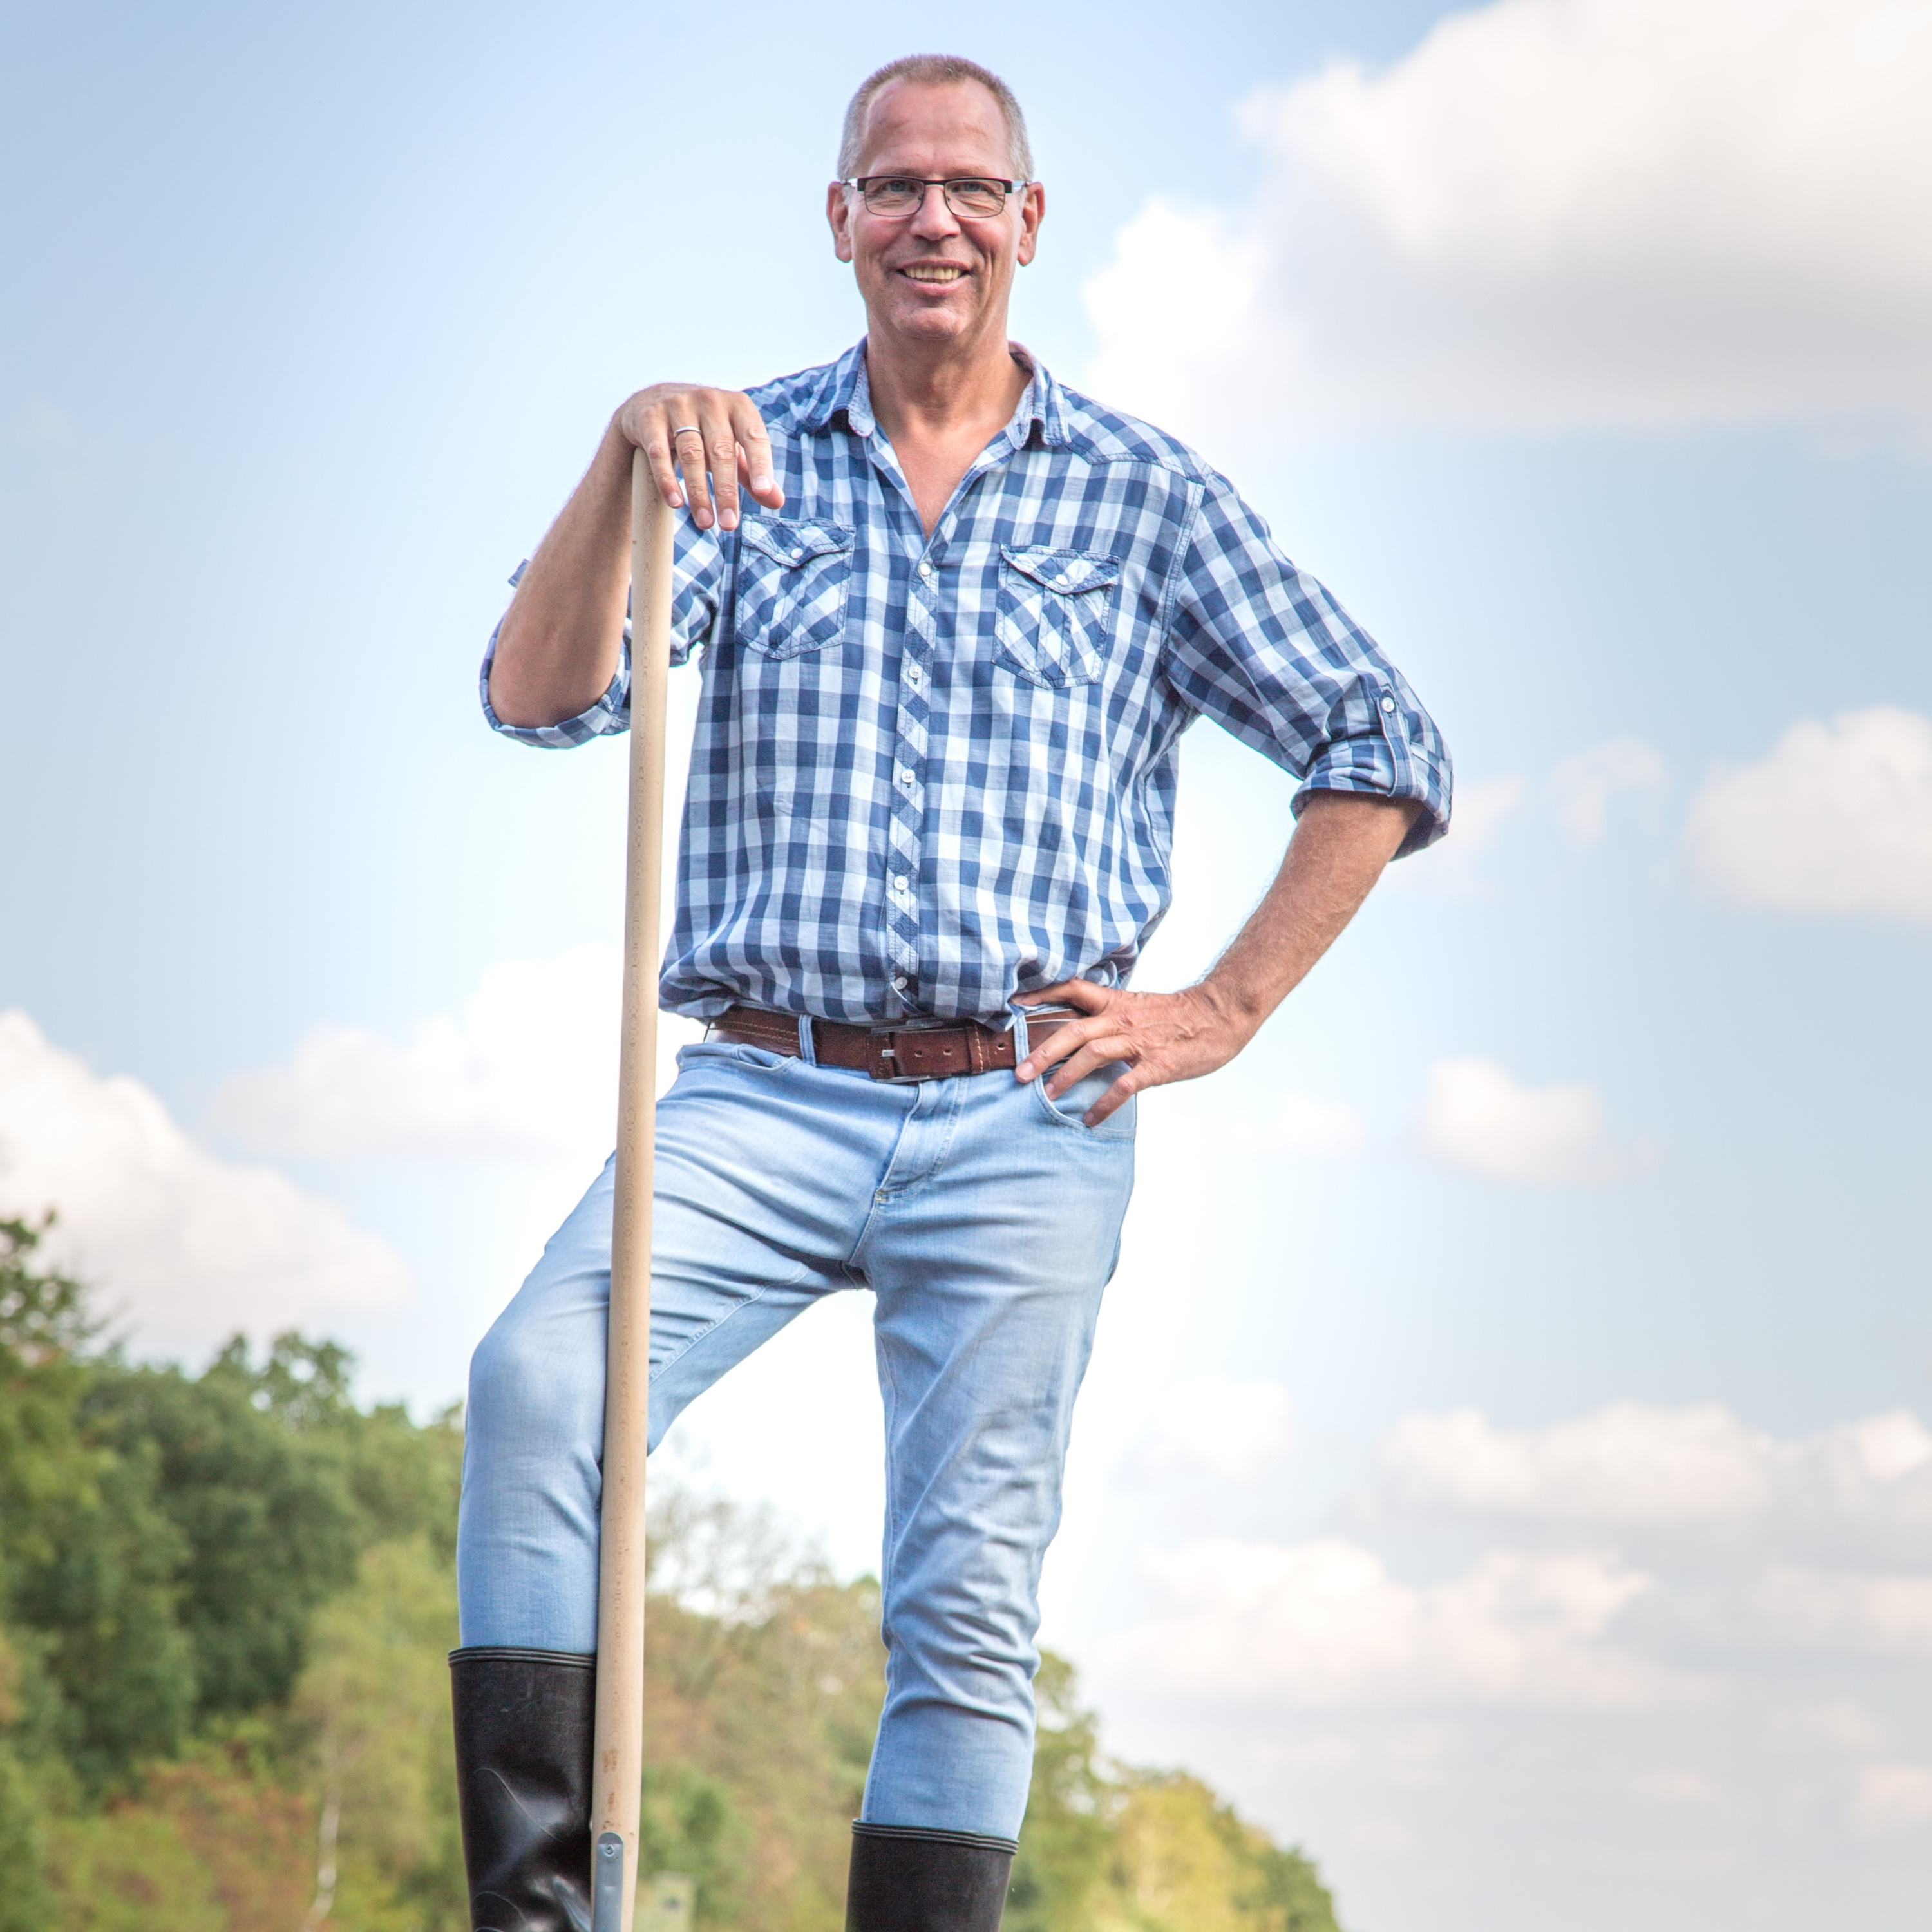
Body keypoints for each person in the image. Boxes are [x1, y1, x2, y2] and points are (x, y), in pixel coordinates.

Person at [450, 51, 1450, 1932]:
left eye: (971, 188)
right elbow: (540, 695)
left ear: (1029, 221)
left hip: (1026, 1107)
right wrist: (616, 456)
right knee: (534, 1383)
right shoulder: (725, 461)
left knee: (967, 1604)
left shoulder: (1145, 498)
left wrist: (1220, 1011)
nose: (935, 219)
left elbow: (1382, 741)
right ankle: (539, 1916)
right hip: (765, 1088)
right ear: (839, 219)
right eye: (895, 186)